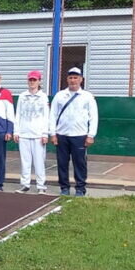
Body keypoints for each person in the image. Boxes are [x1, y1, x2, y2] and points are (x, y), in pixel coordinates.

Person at [50, 67, 99, 196]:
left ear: (81, 79)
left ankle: (80, 188)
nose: (73, 80)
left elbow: (93, 116)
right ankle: (64, 188)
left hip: (80, 136)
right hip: (62, 135)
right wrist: (52, 133)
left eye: (75, 77)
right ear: (67, 79)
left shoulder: (87, 96)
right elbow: (52, 115)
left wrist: (91, 135)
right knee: (62, 163)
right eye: (71, 77)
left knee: (80, 163)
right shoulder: (60, 95)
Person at [14, 70, 50, 194]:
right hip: (24, 133)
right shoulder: (22, 96)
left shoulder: (43, 97)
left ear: (39, 81)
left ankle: (41, 186)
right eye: (30, 80)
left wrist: (45, 133)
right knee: (25, 161)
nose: (32, 82)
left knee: (39, 161)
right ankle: (25, 184)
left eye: (34, 80)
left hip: (38, 134)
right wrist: (16, 131)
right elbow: (18, 114)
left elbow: (46, 116)